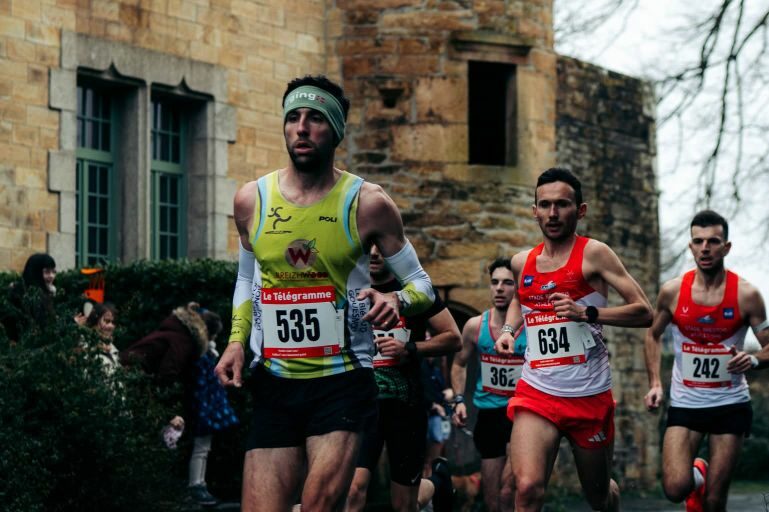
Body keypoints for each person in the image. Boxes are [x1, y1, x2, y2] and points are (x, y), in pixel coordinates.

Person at [214, 75, 438, 512]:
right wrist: (237, 341)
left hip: (342, 382)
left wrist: (397, 300)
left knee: (320, 505)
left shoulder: (368, 203)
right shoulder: (251, 201)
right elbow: (246, 279)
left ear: (336, 130)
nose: (301, 127)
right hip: (275, 382)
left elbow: (422, 285)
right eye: (293, 118)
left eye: (315, 118)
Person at [495, 168, 653, 512]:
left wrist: (587, 313)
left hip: (588, 396)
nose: (553, 214)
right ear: (534, 209)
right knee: (527, 487)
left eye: (562, 205)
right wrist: (510, 331)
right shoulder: (522, 261)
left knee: (598, 496)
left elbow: (645, 312)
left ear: (579, 210)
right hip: (537, 391)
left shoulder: (595, 254)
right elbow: (522, 299)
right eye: (545, 205)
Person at [643, 210, 769, 512]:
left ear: (726, 247)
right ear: (691, 247)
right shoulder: (672, 292)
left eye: (713, 241)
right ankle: (698, 472)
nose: (705, 248)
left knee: (714, 502)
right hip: (686, 405)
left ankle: (707, 488)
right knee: (675, 488)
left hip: (730, 404)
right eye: (698, 241)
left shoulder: (746, 295)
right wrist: (656, 383)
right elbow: (652, 334)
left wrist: (752, 360)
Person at [345, 246, 461, 512]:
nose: (374, 254)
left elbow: (453, 337)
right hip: (362, 408)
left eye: (380, 248)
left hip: (406, 408)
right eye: (368, 247)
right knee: (352, 491)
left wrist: (410, 349)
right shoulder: (348, 287)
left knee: (405, 505)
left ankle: (437, 483)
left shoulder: (414, 290)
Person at [451, 258, 525, 512]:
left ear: (517, 288)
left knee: (509, 491)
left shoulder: (530, 326)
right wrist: (459, 400)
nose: (500, 289)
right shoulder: (475, 326)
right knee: (493, 500)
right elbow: (459, 363)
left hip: (522, 414)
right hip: (489, 415)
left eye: (507, 283)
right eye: (494, 283)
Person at [188, 309, 239, 507]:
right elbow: (203, 385)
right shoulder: (203, 355)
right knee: (201, 448)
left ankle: (200, 483)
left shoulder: (205, 353)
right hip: (205, 409)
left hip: (206, 408)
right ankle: (197, 484)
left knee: (203, 448)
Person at [3, 253, 58, 341]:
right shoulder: (27, 295)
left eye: (54, 272)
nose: (51, 276)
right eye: (47, 272)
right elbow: (43, 327)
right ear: (36, 272)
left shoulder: (45, 292)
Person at [83, 301, 119, 374]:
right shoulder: (85, 349)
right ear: (95, 322)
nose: (111, 326)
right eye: (107, 321)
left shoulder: (113, 351)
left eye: (113, 322)